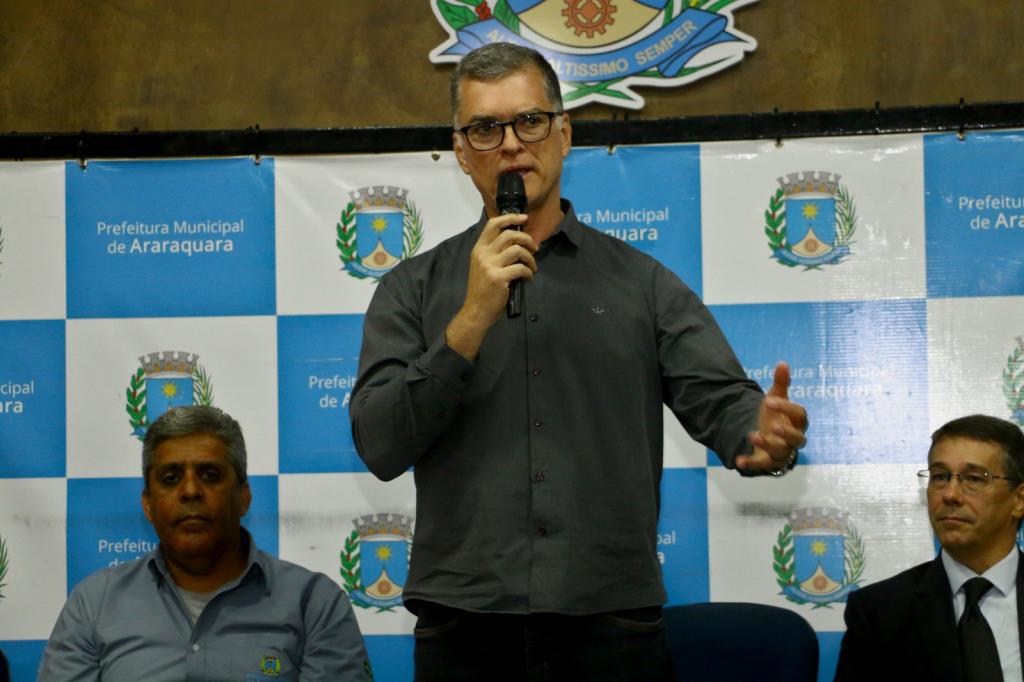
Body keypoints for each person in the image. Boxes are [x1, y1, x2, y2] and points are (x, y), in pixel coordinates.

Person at [350, 42, 808, 681]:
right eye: (485, 128)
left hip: (610, 625)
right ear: (460, 152)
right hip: (465, 628)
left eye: (530, 121)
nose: (511, 144)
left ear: (564, 134)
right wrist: (469, 320)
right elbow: (379, 444)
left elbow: (724, 403)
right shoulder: (412, 288)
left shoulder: (642, 283)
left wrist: (760, 434)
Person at [38, 405, 372, 682]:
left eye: (209, 474)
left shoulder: (314, 604)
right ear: (148, 505)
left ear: (244, 497)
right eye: (171, 478)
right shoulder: (93, 605)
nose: (190, 491)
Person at [835, 414, 1024, 682]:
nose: (950, 494)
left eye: (974, 478)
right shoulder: (879, 613)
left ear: (1018, 499)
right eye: (939, 477)